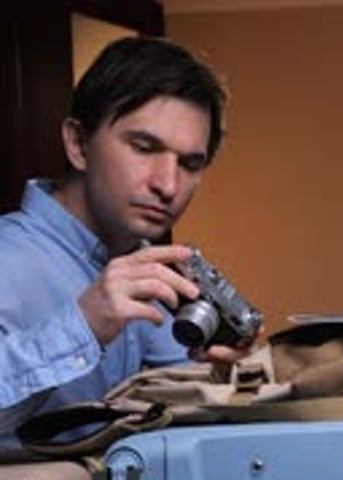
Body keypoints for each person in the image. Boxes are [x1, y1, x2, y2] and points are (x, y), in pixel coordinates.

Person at [0, 35, 258, 450]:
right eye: (144, 147)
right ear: (78, 144)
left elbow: (174, 427)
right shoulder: (7, 258)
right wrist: (82, 326)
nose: (168, 185)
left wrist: (227, 383)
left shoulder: (152, 281)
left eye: (190, 163)